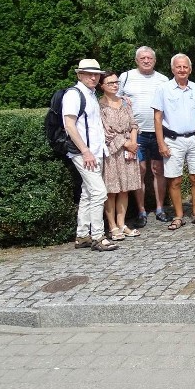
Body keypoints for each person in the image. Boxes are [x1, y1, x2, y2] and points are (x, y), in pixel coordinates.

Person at [152, 53, 195, 231]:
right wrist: (161, 143)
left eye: (185, 67)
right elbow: (157, 118)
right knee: (174, 180)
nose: (182, 70)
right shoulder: (163, 89)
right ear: (172, 69)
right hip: (173, 140)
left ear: (190, 69)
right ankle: (178, 216)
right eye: (178, 67)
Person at [63, 59, 117, 251]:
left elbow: (91, 124)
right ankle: (98, 236)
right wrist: (85, 151)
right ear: (79, 75)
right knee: (99, 192)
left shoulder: (90, 94)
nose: (93, 77)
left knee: (88, 193)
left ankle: (82, 235)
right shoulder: (74, 94)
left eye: (96, 74)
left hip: (95, 151)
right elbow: (69, 125)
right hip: (84, 153)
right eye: (88, 74)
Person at [119, 46, 169, 227]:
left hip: (158, 132)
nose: (146, 61)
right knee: (139, 171)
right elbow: (113, 100)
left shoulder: (163, 80)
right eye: (143, 58)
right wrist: (122, 100)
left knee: (158, 170)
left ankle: (160, 208)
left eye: (149, 58)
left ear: (155, 61)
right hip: (135, 134)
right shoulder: (125, 78)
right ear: (136, 60)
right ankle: (141, 211)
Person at [99, 71, 142, 242]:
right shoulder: (100, 106)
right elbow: (105, 132)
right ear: (102, 86)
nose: (115, 85)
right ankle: (112, 226)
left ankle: (122, 223)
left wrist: (133, 144)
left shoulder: (125, 102)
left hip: (128, 149)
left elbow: (133, 124)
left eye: (116, 82)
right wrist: (125, 144)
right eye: (110, 83)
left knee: (125, 188)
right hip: (112, 151)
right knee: (112, 190)